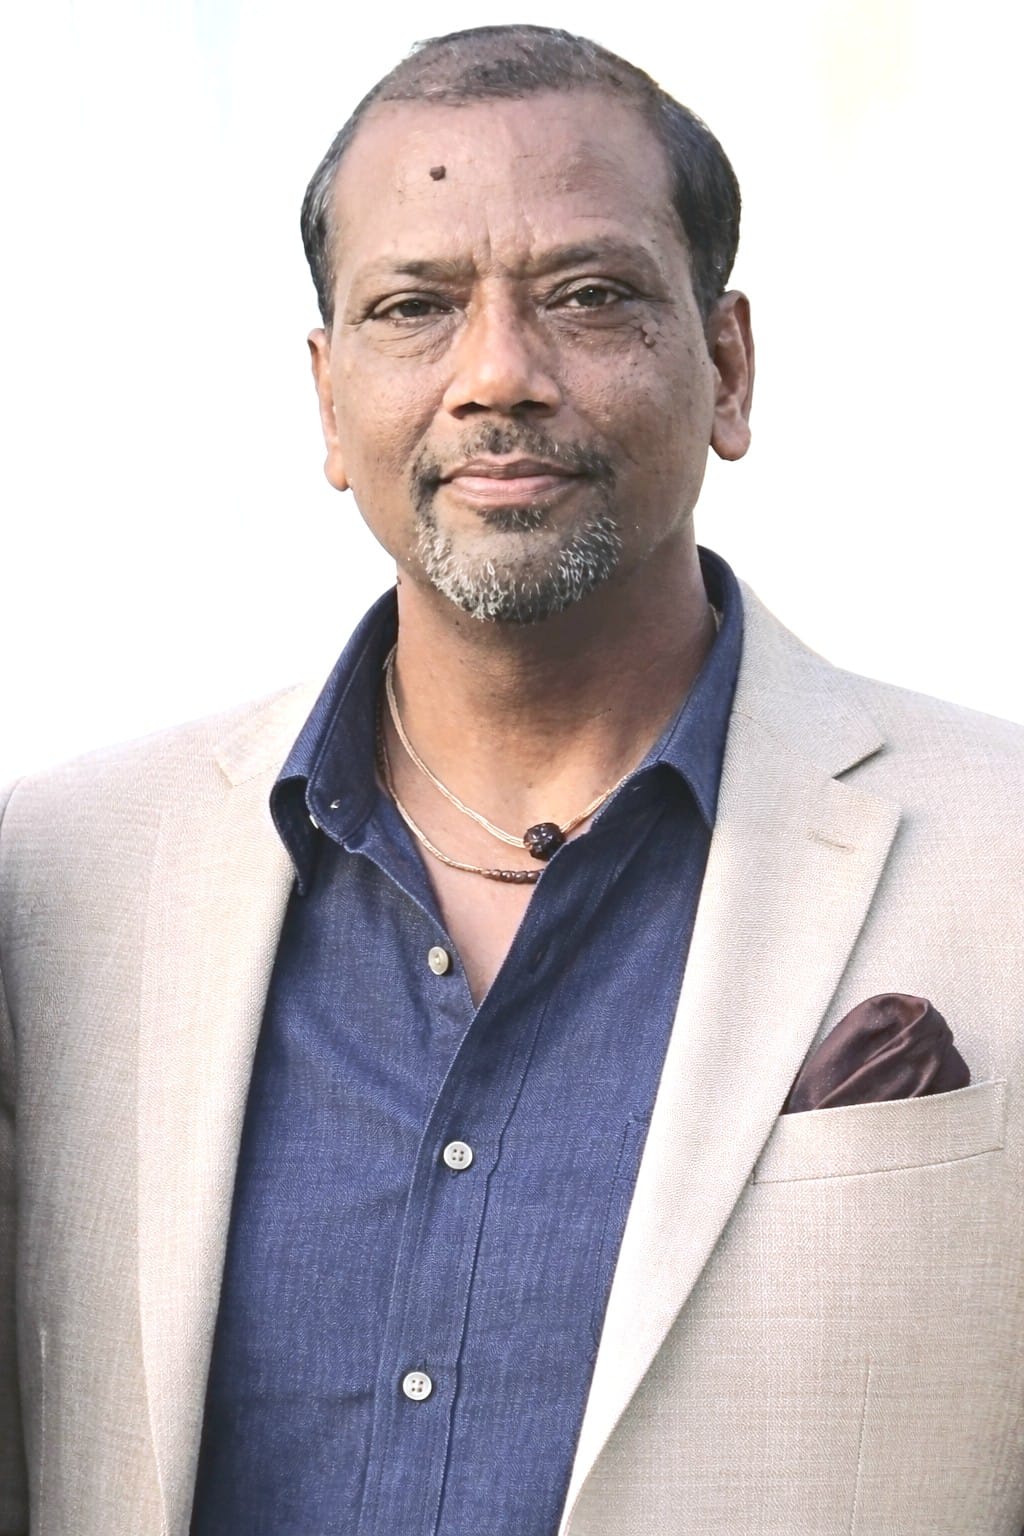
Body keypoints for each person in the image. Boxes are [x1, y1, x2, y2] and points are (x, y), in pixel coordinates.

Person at [1, 22, 1023, 1536]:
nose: (498, 375)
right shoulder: (61, 881)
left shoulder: (1000, 859)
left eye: (590, 297)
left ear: (729, 368)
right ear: (328, 399)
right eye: (414, 307)